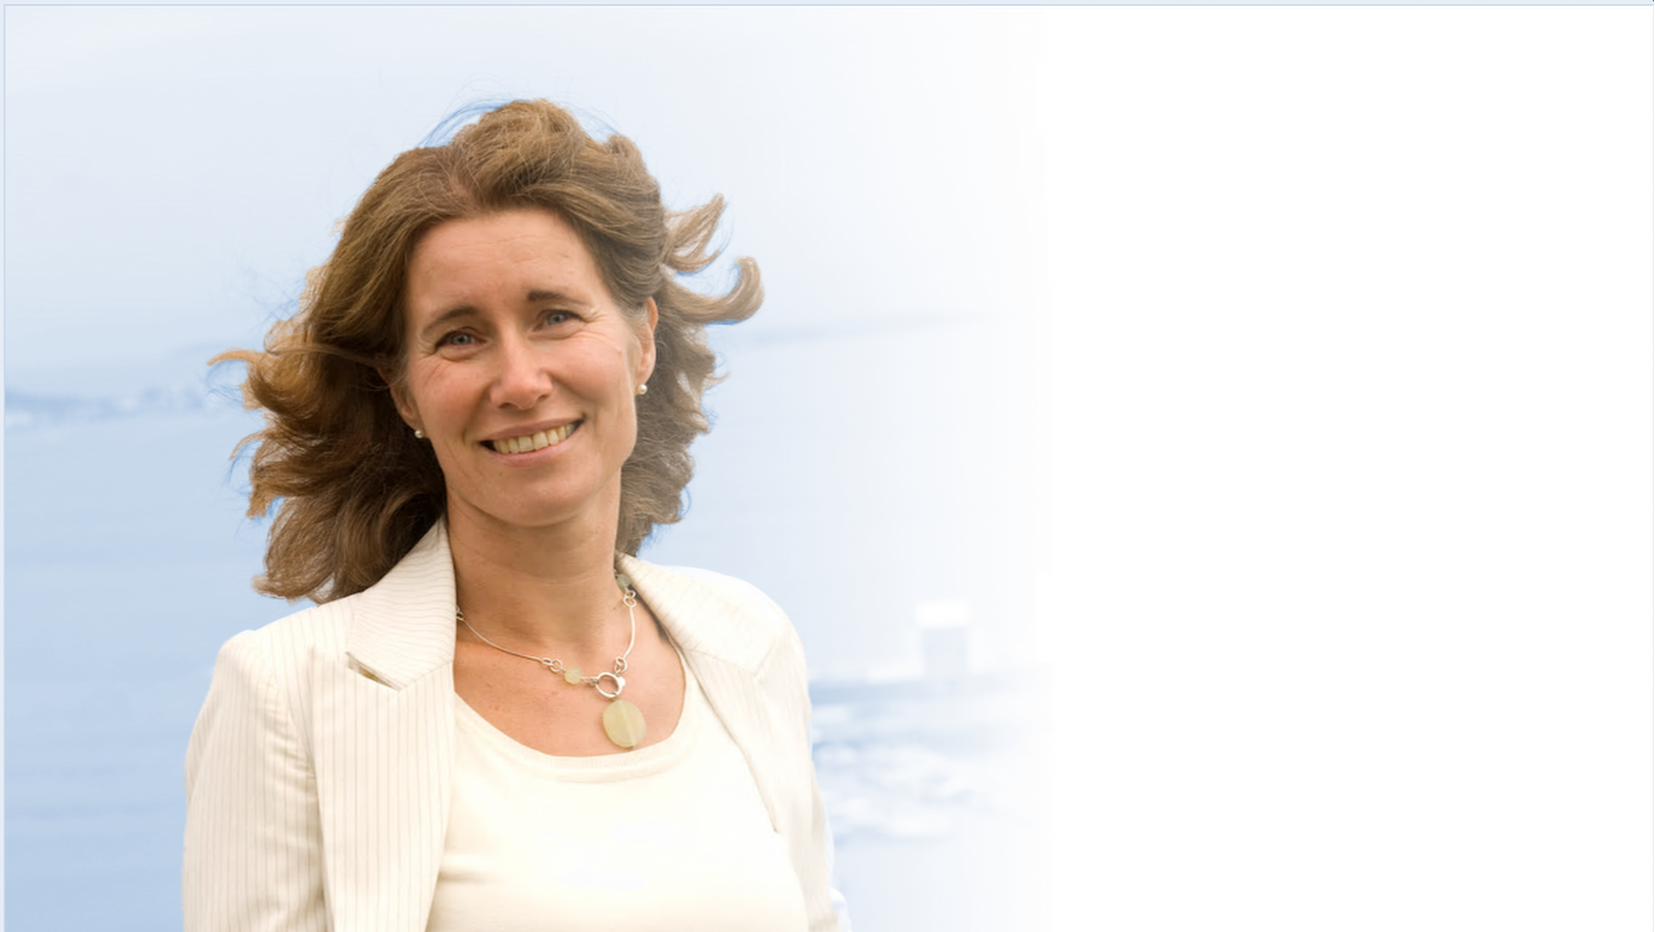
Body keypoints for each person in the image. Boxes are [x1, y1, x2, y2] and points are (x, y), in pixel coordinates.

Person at [183, 99, 848, 932]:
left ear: (641, 340)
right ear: (403, 393)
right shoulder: (289, 695)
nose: (521, 381)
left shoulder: (747, 640)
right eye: (459, 337)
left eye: (555, 316)